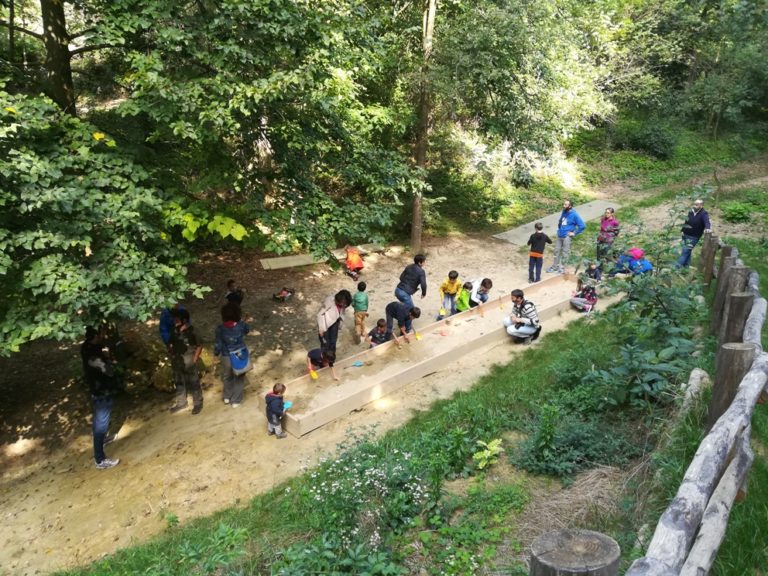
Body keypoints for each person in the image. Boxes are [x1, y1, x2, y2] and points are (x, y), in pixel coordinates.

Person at [81, 326, 120, 469]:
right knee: (100, 423)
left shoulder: (87, 347)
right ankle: (100, 460)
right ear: (96, 336)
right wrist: (109, 357)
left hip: (98, 390)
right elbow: (108, 370)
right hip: (101, 392)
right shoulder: (93, 354)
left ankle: (103, 439)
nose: (103, 335)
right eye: (101, 333)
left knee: (101, 421)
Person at [214, 301, 251, 407]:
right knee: (239, 376)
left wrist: (216, 354)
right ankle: (235, 401)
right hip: (239, 355)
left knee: (227, 376)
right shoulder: (241, 326)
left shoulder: (220, 329)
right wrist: (244, 321)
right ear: (237, 313)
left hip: (226, 356)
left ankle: (227, 397)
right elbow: (246, 330)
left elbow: (218, 344)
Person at [168, 308, 204, 415]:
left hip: (189, 360)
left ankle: (198, 403)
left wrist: (194, 358)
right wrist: (171, 354)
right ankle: (181, 403)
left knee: (194, 383)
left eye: (177, 319)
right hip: (177, 361)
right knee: (179, 382)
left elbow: (199, 345)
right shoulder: (173, 331)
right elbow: (170, 344)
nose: (174, 320)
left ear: (184, 320)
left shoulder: (192, 331)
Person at [547, 199, 586, 273]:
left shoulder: (575, 215)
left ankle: (562, 267)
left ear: (570, 206)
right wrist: (559, 229)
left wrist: (574, 233)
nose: (563, 206)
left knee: (565, 252)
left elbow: (582, 226)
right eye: (564, 204)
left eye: (565, 205)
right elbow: (561, 221)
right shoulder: (564, 212)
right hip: (560, 235)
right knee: (556, 251)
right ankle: (555, 266)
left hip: (567, 237)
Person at [677, 198, 712, 268]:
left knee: (685, 251)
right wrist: (682, 230)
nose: (694, 205)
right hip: (685, 234)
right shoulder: (690, 212)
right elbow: (686, 222)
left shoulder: (704, 213)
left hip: (693, 237)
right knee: (687, 251)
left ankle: (676, 267)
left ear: (701, 206)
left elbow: (707, 222)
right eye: (694, 204)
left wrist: (708, 228)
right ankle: (686, 266)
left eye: (697, 204)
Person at [317, 289, 352, 354]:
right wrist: (321, 328)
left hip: (335, 323)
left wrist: (340, 325)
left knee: (333, 342)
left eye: (345, 304)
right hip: (325, 325)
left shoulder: (343, 304)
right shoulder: (330, 301)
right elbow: (320, 314)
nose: (344, 305)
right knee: (325, 344)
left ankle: (331, 359)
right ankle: (324, 360)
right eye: (343, 303)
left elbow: (342, 314)